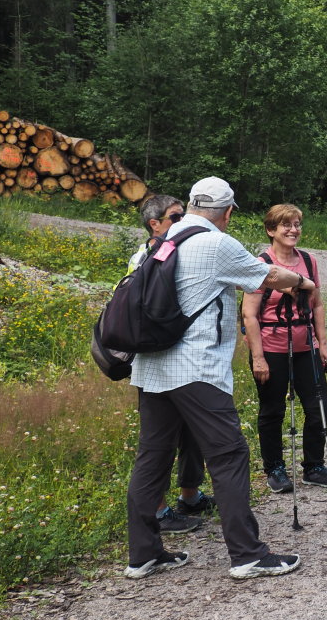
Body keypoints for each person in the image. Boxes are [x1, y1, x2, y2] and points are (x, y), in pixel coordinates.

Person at [125, 177, 303, 581]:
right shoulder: (217, 243)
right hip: (196, 370)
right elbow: (268, 276)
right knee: (228, 456)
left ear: (190, 205)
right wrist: (303, 281)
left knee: (152, 459)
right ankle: (247, 554)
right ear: (228, 212)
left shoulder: (155, 244)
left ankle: (143, 554)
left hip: (150, 368)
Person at [128, 195, 215, 534]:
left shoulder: (181, 250)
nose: (183, 222)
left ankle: (189, 495)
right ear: (155, 224)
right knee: (159, 442)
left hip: (183, 360)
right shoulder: (145, 257)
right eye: (175, 217)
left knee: (192, 433)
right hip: (155, 361)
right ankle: (159, 511)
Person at [242, 204, 327, 495]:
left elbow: (318, 304)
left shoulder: (309, 261)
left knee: (318, 406)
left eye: (297, 224)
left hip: (305, 346)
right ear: (271, 230)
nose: (293, 230)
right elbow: (250, 314)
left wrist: (323, 345)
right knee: (272, 410)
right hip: (271, 347)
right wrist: (258, 357)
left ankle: (314, 466)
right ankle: (274, 468)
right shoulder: (260, 264)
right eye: (286, 225)